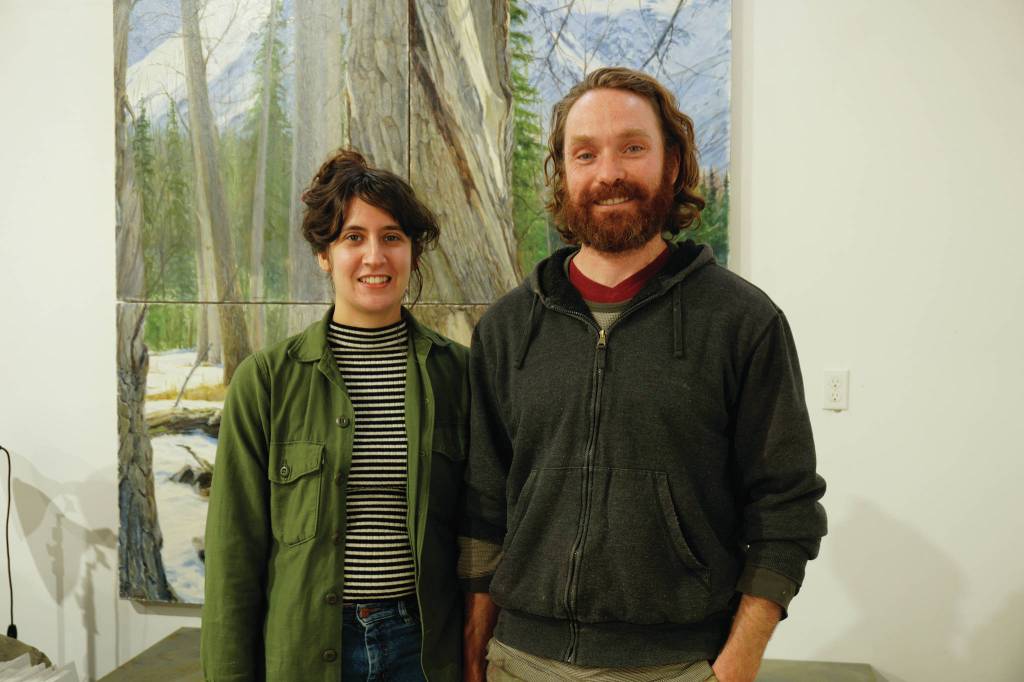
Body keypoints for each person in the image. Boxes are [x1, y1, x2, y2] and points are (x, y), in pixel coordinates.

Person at [459, 67, 827, 682]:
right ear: (564, 174)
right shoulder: (506, 328)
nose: (609, 173)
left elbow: (786, 509)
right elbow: (482, 508)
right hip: (518, 661)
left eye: (633, 147)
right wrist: (474, 652)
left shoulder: (743, 322)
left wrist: (734, 669)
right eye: (586, 154)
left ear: (674, 163)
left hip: (678, 665)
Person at [201, 150, 467, 681]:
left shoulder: (457, 374)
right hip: (306, 646)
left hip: (422, 649)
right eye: (353, 237)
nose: (375, 256)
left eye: (392, 237)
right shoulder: (267, 381)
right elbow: (234, 556)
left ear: (412, 252)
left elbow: (480, 530)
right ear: (324, 254)